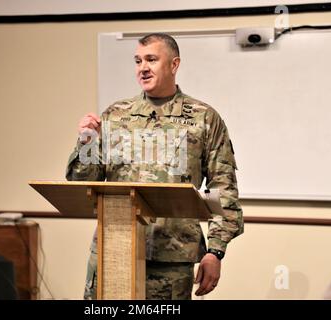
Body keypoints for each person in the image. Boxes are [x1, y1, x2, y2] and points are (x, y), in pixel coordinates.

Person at [66, 33, 244, 300]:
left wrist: (215, 251)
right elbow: (83, 181)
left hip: (170, 258)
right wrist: (86, 142)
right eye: (138, 61)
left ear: (174, 65)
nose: (143, 68)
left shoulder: (203, 118)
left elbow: (223, 189)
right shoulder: (116, 115)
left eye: (151, 59)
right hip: (114, 250)